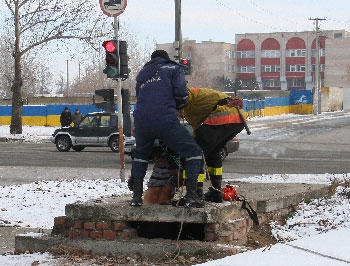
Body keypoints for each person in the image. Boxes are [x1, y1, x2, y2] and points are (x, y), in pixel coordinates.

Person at [129, 50, 204, 208]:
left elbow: (141, 97)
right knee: (193, 152)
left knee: (141, 155)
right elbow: (181, 93)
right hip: (164, 120)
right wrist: (179, 105)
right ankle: (192, 196)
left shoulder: (142, 75)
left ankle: (136, 198)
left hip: (141, 121)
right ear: (166, 59)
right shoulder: (173, 68)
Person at [182, 88, 246, 203]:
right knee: (213, 153)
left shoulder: (182, 92)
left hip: (223, 117)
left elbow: (184, 96)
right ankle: (216, 192)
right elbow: (197, 128)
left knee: (195, 153)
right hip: (238, 119)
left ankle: (196, 194)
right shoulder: (196, 103)